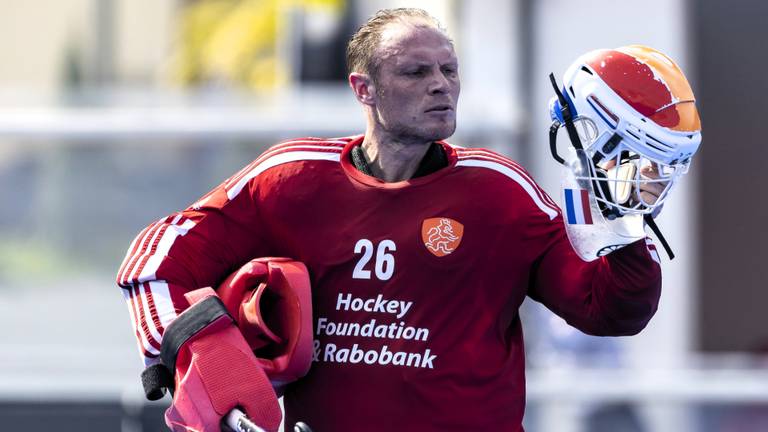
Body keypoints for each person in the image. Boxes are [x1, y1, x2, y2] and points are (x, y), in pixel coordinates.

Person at [117, 8, 695, 432]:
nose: (441, 85)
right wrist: (188, 345)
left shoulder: (500, 191)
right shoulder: (292, 179)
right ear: (363, 89)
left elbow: (608, 310)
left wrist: (624, 224)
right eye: (416, 73)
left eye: (449, 70)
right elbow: (156, 256)